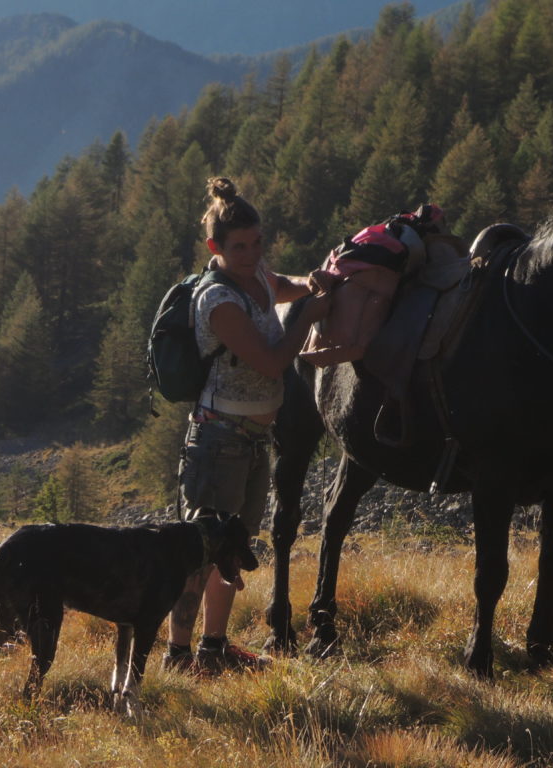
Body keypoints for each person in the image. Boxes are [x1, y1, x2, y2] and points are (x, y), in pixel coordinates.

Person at [163, 177, 332, 674]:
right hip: (218, 440)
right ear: (215, 248)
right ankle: (177, 657)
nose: (251, 253)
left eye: (258, 243)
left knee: (231, 553)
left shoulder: (255, 273)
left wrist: (310, 284)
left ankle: (213, 651)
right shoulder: (217, 301)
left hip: (254, 440)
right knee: (199, 553)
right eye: (239, 246)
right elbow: (272, 361)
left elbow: (280, 286)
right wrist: (309, 313)